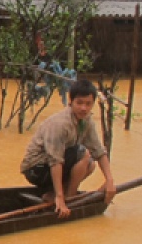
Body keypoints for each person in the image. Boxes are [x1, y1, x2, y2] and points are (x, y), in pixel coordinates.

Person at [20, 79, 117, 219]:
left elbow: (99, 152)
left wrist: (110, 181)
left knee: (90, 164)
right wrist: (61, 197)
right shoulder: (60, 124)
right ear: (70, 101)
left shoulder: (87, 121)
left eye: (88, 104)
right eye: (79, 103)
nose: (83, 108)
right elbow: (55, 160)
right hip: (36, 170)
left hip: (52, 166)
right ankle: (68, 197)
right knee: (83, 153)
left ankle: (55, 194)